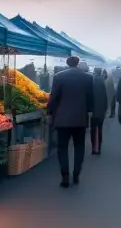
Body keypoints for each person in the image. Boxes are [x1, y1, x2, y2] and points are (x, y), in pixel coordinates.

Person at [46, 56, 94, 188]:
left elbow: (53, 97)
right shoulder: (88, 77)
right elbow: (90, 98)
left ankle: (65, 176)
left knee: (62, 148)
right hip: (80, 118)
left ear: (67, 64)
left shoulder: (59, 76)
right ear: (78, 63)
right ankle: (76, 174)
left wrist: (50, 112)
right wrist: (88, 111)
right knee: (79, 147)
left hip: (63, 119)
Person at [90, 68, 108, 155]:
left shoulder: (93, 80)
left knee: (94, 129)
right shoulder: (102, 80)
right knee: (99, 129)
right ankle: (98, 147)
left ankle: (95, 148)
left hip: (94, 110)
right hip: (101, 109)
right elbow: (105, 96)